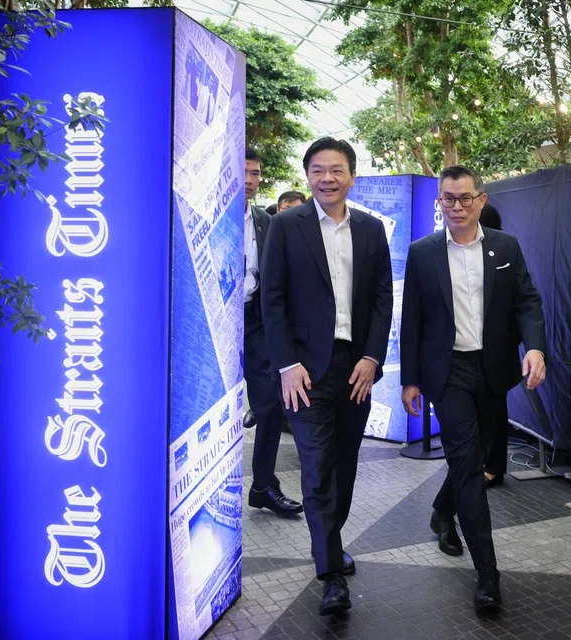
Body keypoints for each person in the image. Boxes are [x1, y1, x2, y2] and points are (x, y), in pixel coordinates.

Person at [400, 166, 546, 613]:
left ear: (481, 200)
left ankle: (443, 511)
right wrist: (409, 378)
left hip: (493, 370)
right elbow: (413, 320)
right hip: (448, 374)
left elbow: (527, 301)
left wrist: (535, 348)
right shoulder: (422, 252)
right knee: (467, 466)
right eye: (449, 198)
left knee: (476, 457)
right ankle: (487, 574)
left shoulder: (505, 247)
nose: (458, 206)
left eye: (466, 198)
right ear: (439, 202)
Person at [261, 137, 393, 616]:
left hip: (355, 369)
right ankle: (331, 574)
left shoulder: (373, 230)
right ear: (308, 176)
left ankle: (330, 544)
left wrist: (373, 358)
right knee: (316, 468)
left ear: (351, 176)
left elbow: (382, 299)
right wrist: (287, 364)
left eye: (336, 170)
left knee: (345, 464)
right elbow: (271, 299)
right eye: (317, 170)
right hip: (305, 373)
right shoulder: (285, 226)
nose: (327, 178)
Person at [242, 148, 303, 518]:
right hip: (210, 324)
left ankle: (263, 484)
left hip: (254, 323)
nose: (249, 180)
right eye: (243, 172)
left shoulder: (266, 222)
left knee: (267, 406)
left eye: (256, 173)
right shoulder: (203, 217)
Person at [477, 202, 510, 488]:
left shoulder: (504, 256)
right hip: (464, 354)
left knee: (495, 411)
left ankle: (494, 466)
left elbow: (522, 304)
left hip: (495, 353)